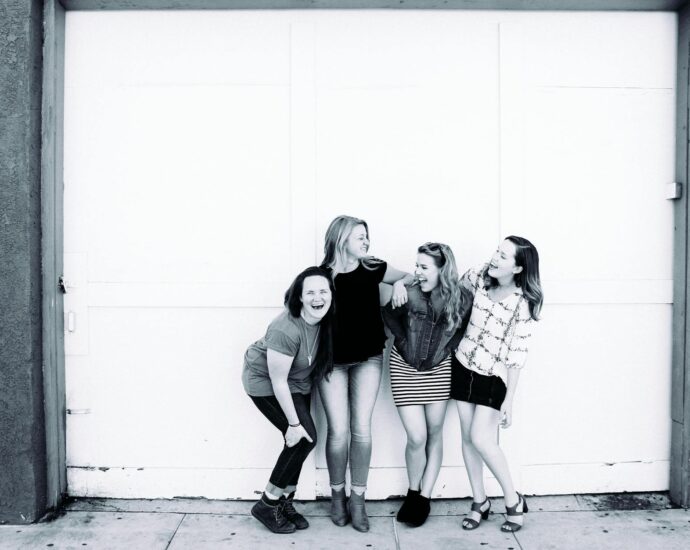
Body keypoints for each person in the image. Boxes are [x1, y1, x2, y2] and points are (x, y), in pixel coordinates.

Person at [318, 215, 414, 532]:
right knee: (338, 431)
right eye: (359, 236)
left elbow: (413, 277)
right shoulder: (320, 277)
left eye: (366, 236)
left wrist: (398, 283)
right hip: (331, 362)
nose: (366, 241)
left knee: (361, 429)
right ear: (341, 237)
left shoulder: (375, 268)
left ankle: (358, 500)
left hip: (369, 357)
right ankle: (337, 495)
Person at [451, 236, 543, 533]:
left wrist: (509, 400)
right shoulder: (478, 276)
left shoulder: (523, 302)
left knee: (482, 439)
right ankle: (479, 502)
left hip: (494, 375)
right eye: (496, 251)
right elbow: (451, 294)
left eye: (503, 256)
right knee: (467, 437)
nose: (495, 258)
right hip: (462, 364)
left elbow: (517, 354)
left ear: (518, 267)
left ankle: (513, 500)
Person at [382, 242, 472, 527]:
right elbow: (389, 317)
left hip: (438, 370)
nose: (417, 271)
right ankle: (413, 489)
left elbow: (463, 329)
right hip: (405, 369)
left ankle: (424, 497)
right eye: (416, 265)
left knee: (434, 433)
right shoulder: (407, 293)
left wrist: (448, 350)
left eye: (424, 267)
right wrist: (405, 343)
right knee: (416, 437)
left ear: (442, 269)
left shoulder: (462, 298)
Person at [241, 266, 334, 534]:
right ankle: (267, 504)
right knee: (303, 437)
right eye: (311, 292)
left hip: (296, 383)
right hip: (265, 383)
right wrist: (293, 425)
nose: (318, 297)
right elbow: (278, 380)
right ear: (300, 298)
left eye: (323, 291)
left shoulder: (325, 321)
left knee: (302, 441)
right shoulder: (285, 328)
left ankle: (284, 502)